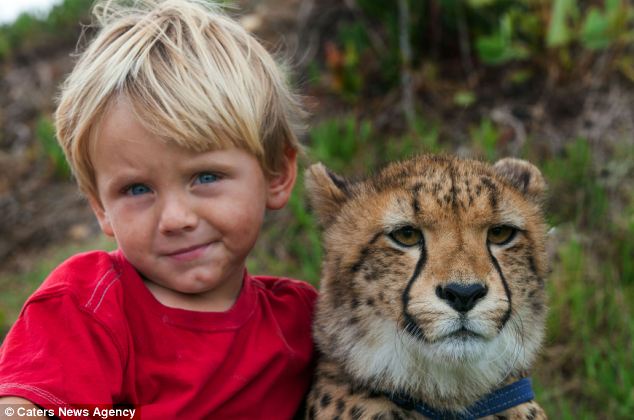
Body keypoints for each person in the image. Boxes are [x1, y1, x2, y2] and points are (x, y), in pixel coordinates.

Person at [0, 0, 316, 418]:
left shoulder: (303, 322)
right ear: (101, 209)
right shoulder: (85, 307)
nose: (175, 219)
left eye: (205, 177)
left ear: (276, 174)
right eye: (136, 189)